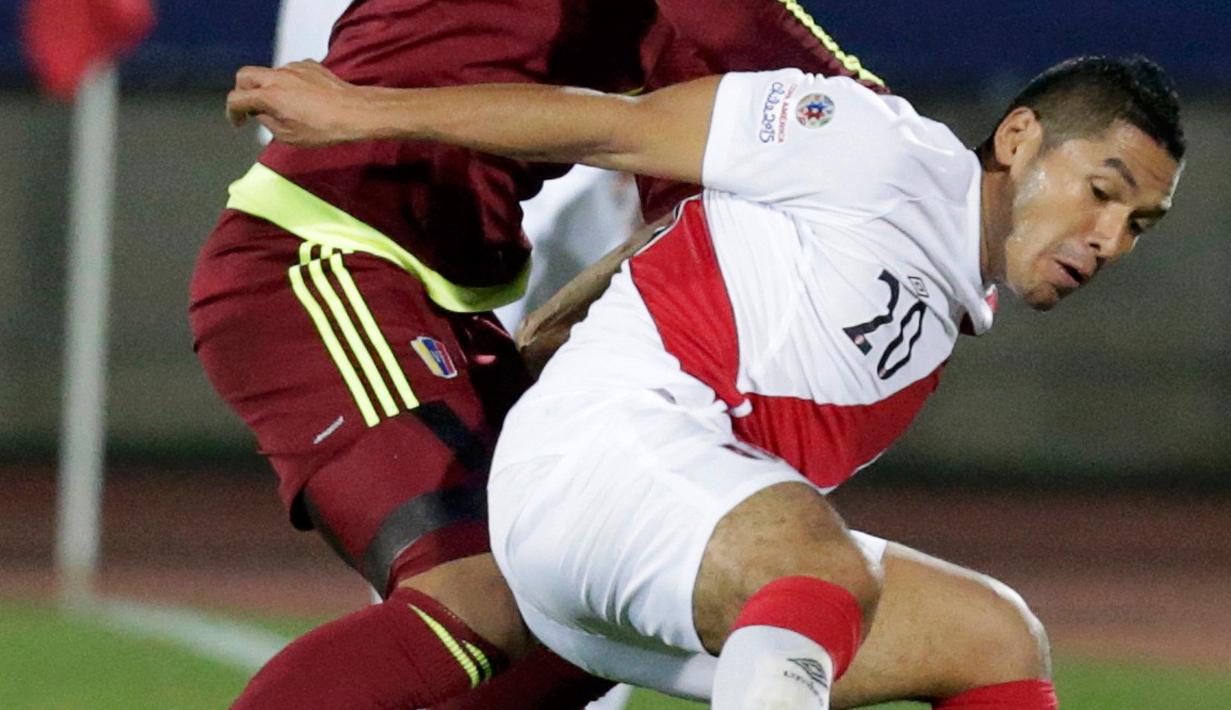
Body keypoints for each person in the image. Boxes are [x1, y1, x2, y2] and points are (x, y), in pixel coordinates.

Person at [226, 54, 1184, 709]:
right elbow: (615, 128)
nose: (1108, 238)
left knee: (993, 637)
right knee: (817, 565)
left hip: (645, 574)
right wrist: (364, 111)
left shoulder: (948, 296)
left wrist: (559, 323)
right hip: (597, 468)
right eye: (1100, 191)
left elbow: (680, 242)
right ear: (1016, 138)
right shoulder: (869, 142)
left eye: (1138, 224)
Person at [192, 0, 888, 707]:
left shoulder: (673, 35)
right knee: (477, 596)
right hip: (326, 252)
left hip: (442, 303)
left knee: (599, 610)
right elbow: (835, 110)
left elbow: (715, 191)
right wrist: (907, 158)